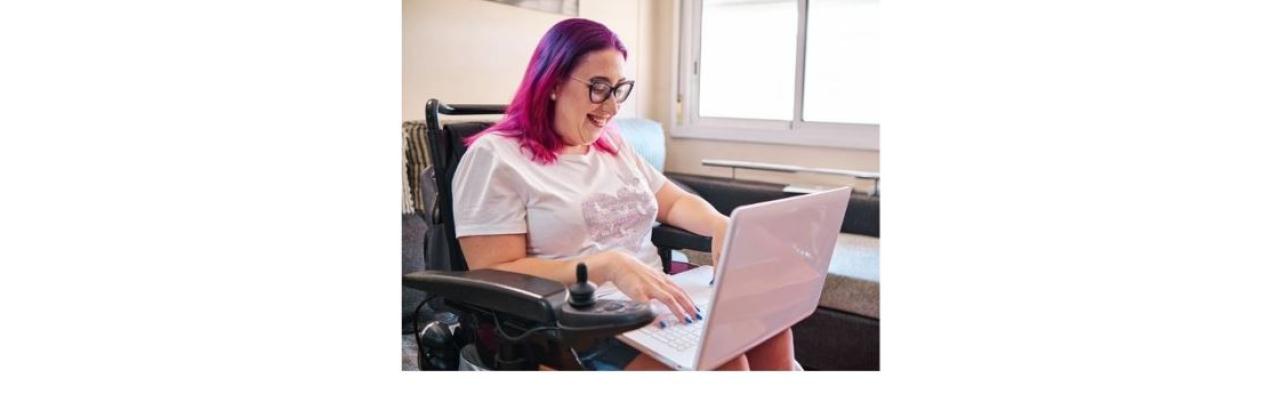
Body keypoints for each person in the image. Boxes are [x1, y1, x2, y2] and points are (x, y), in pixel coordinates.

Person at [452, 18, 795, 371]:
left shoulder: (611, 145)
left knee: (771, 334)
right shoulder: (496, 157)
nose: (613, 107)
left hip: (655, 305)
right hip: (575, 325)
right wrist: (607, 266)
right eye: (599, 87)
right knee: (727, 366)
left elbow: (674, 201)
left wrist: (721, 224)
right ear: (552, 83)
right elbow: (496, 271)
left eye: (619, 89)